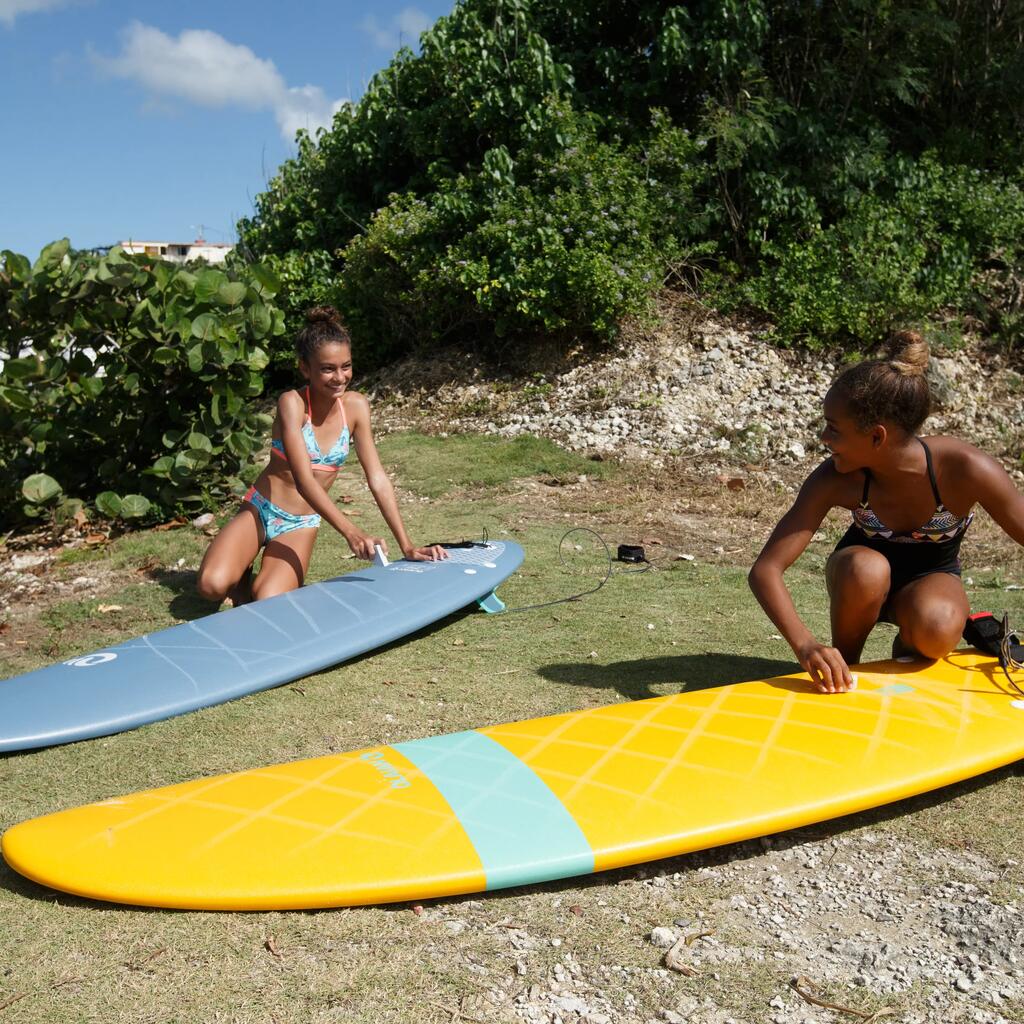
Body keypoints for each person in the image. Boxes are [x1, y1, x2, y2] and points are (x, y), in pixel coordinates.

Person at [748, 330, 1024, 694]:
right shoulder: (836, 479)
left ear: (877, 437)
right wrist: (806, 645)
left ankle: (907, 654)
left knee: (939, 626)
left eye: (833, 429)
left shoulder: (966, 469)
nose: (823, 439)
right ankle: (844, 666)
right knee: (867, 569)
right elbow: (765, 570)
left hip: (931, 579)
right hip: (858, 582)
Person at [197, 306, 447, 605]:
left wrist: (407, 546)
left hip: (301, 523)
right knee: (212, 586)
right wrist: (351, 532)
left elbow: (377, 478)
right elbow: (304, 480)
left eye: (346, 366)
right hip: (262, 508)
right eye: (328, 368)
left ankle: (249, 577)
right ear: (305, 368)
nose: (339, 377)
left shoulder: (356, 408)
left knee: (269, 601)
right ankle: (241, 564)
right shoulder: (292, 403)